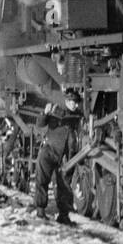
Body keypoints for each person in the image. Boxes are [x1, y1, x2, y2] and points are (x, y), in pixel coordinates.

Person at [34, 89, 82, 224]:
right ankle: (40, 210)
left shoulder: (77, 115)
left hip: (65, 156)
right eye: (73, 102)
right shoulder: (56, 111)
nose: (75, 105)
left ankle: (64, 215)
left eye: (77, 103)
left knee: (64, 185)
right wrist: (44, 113)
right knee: (42, 180)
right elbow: (40, 123)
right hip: (49, 151)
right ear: (67, 101)